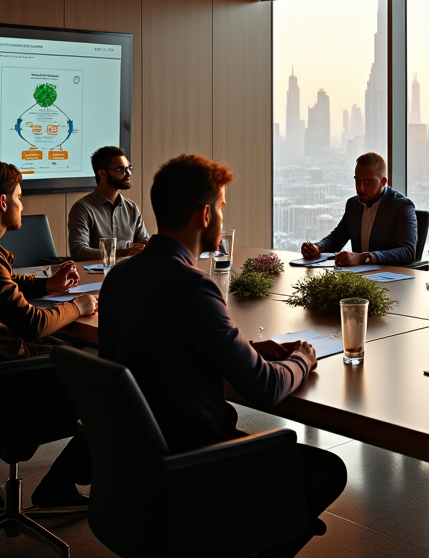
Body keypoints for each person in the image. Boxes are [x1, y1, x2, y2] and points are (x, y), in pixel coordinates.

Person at [99, 154, 347, 557]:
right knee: (326, 472)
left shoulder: (120, 277)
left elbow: (170, 351)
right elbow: (265, 388)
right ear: (204, 214)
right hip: (196, 463)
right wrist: (302, 357)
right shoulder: (193, 287)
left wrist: (247, 350)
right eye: (221, 207)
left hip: (137, 465)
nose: (222, 216)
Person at [0, 159, 97, 506]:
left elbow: (0, 284)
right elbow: (33, 324)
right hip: (5, 385)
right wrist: (79, 307)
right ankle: (58, 487)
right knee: (107, 385)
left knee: (86, 356)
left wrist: (46, 284)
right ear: (3, 202)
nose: (23, 205)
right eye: (20, 197)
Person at [300, 151, 417, 267]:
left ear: (383, 182)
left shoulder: (402, 206)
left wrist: (364, 257)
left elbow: (408, 252)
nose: (360, 187)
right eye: (357, 180)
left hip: (393, 278)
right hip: (359, 278)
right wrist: (318, 248)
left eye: (367, 182)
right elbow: (337, 238)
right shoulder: (353, 204)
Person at [68, 146, 149, 260]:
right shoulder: (82, 208)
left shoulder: (131, 207)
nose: (129, 173)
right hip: (96, 275)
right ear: (102, 174)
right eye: (122, 169)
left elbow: (145, 244)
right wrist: (125, 252)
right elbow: (79, 251)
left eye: (129, 168)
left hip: (130, 272)